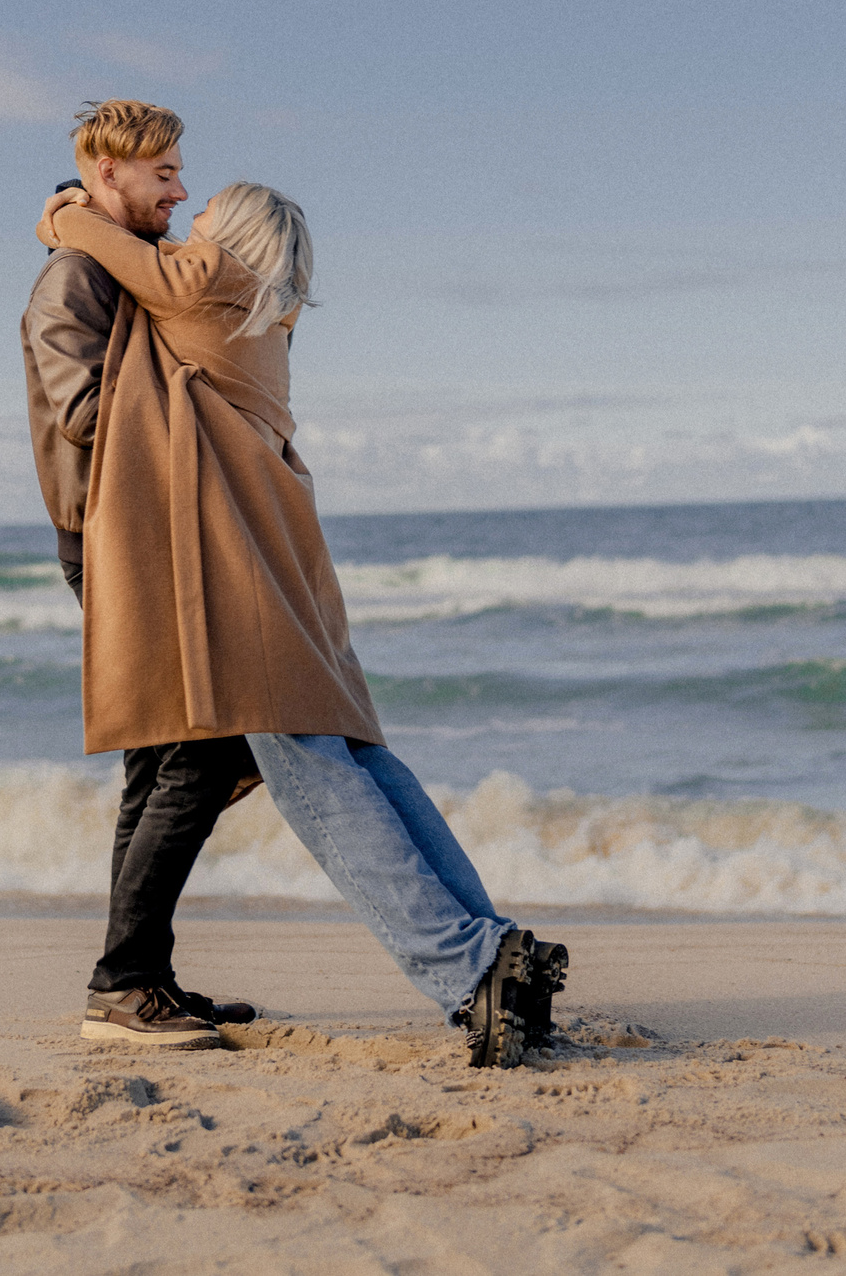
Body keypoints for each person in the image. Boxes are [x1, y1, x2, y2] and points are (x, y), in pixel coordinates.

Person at [36, 174, 569, 1068]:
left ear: (230, 234)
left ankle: (468, 963)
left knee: (314, 777)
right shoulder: (270, 314)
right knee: (362, 758)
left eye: (201, 208)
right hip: (292, 563)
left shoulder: (207, 276)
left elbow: (109, 248)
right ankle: (497, 946)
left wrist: (64, 207)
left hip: (245, 568)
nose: (186, 208)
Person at [20, 101, 263, 1051]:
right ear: (105, 176)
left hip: (146, 533)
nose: (180, 188)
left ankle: (136, 978)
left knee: (157, 764)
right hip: (113, 537)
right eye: (162, 174)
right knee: (202, 752)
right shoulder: (73, 279)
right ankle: (123, 983)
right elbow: (88, 411)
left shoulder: (121, 270)